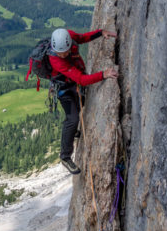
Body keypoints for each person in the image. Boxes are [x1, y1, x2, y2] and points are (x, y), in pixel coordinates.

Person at [49, 27, 118, 174]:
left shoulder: (69, 36)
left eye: (66, 51)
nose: (64, 55)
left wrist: (100, 33)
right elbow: (81, 79)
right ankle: (65, 157)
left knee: (82, 103)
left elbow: (82, 37)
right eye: (61, 53)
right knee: (72, 119)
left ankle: (72, 132)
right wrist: (103, 74)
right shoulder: (56, 60)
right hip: (63, 89)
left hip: (72, 83)